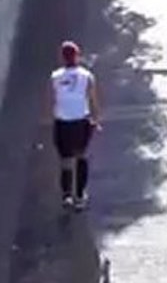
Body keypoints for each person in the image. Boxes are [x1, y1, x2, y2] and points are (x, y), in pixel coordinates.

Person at [50, 41, 100, 210]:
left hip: (62, 122)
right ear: (77, 56)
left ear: (62, 58)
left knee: (65, 161)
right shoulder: (87, 76)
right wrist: (96, 120)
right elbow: (93, 100)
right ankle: (79, 196)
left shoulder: (55, 77)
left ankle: (66, 196)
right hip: (80, 121)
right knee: (81, 157)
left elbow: (51, 99)